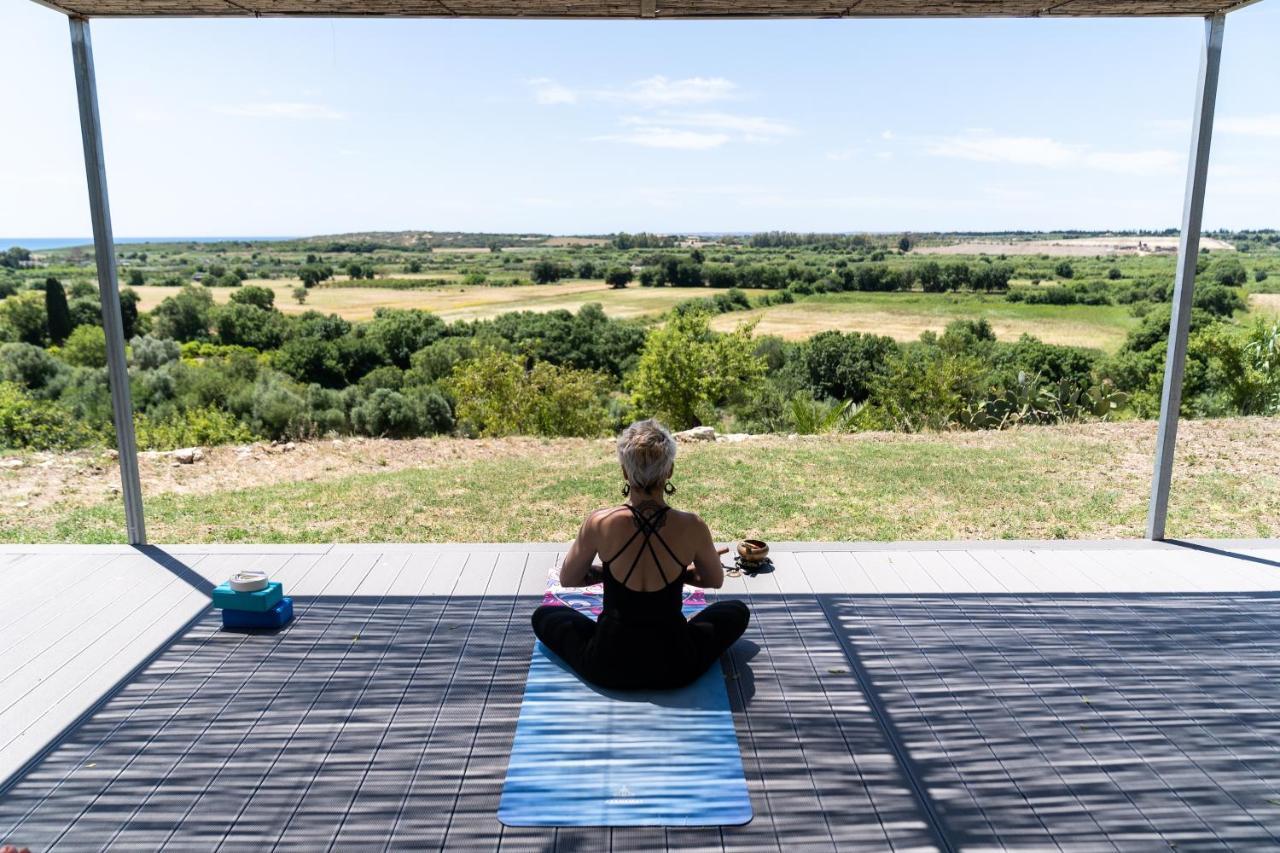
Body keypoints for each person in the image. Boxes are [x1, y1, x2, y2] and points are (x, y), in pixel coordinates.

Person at [531, 418, 750, 690]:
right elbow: (714, 580)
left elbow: (569, 578)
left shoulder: (599, 522)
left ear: (625, 472)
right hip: (676, 665)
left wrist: (608, 574)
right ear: (669, 470)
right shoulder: (692, 525)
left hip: (608, 665)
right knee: (736, 611)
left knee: (544, 616)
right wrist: (680, 573)